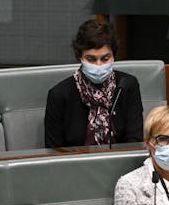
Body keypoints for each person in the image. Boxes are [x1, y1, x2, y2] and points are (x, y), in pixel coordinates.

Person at [44, 19, 143, 148]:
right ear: (80, 56)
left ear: (113, 56)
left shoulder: (127, 86)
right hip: (75, 166)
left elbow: (134, 141)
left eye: (105, 58)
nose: (98, 65)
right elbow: (53, 151)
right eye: (91, 59)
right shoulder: (59, 95)